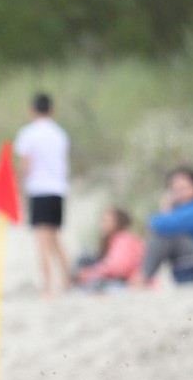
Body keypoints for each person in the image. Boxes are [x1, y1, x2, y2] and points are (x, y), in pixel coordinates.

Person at [14, 92, 71, 295]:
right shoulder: (60, 134)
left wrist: (20, 184)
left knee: (42, 242)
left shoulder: (28, 134)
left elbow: (26, 166)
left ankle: (47, 288)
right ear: (52, 110)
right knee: (55, 238)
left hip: (39, 190)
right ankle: (66, 279)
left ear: (32, 111)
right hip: (58, 189)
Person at [74, 207, 145, 292]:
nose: (102, 225)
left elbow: (117, 267)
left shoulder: (123, 239)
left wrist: (91, 274)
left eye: (106, 221)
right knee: (87, 257)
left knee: (85, 259)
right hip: (124, 278)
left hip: (129, 281)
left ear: (117, 223)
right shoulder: (118, 239)